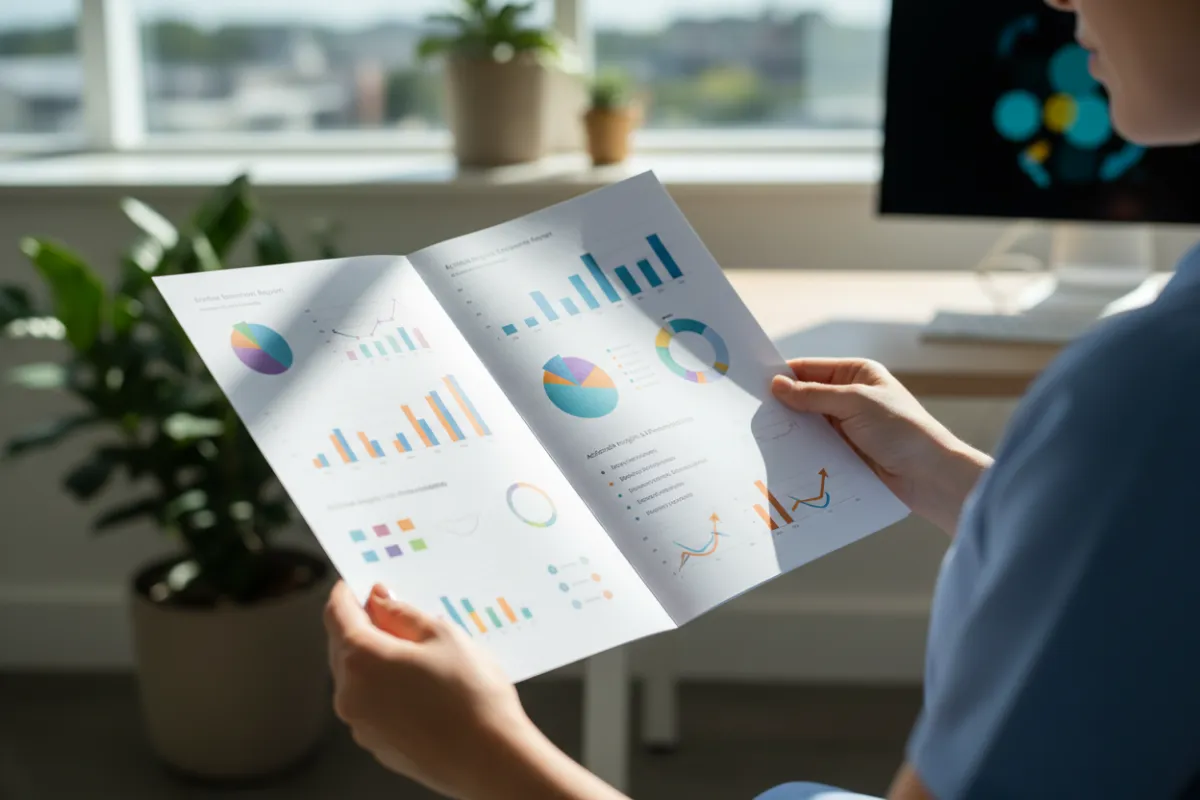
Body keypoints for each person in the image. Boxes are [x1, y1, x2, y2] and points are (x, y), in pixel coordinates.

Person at [323, 0, 1200, 797]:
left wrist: (482, 754)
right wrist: (946, 473)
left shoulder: (1146, 389)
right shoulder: (1154, 382)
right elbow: (1159, 569)